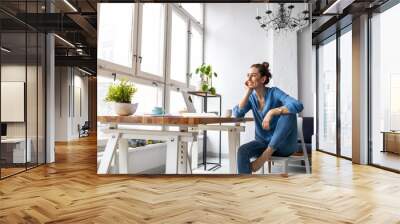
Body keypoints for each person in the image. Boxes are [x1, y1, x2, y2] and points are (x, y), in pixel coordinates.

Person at [233, 62, 304, 174]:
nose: (249, 78)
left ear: (263, 79)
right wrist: (247, 92)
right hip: (262, 143)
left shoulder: (274, 92)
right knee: (242, 151)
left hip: (283, 146)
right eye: (248, 75)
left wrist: (272, 111)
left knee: (289, 113)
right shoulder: (251, 98)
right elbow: (237, 115)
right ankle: (245, 186)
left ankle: (264, 157)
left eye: (253, 75)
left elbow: (298, 105)